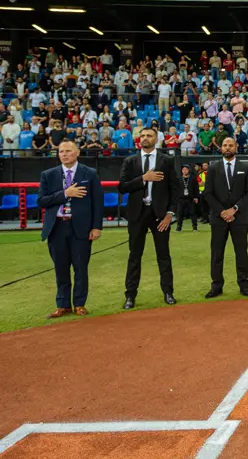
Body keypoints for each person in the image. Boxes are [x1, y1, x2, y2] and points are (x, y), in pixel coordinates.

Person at [38, 139, 103, 319]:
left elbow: (98, 202)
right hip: (56, 228)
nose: (64, 154)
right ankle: (63, 305)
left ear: (77, 153)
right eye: (61, 151)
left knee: (81, 267)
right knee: (61, 268)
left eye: (68, 151)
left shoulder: (89, 173)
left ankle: (80, 304)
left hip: (81, 229)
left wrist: (97, 227)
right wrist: (65, 194)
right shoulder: (48, 175)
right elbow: (41, 201)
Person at [118, 127, 180, 310]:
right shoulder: (130, 161)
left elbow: (175, 190)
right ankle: (130, 295)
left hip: (160, 215)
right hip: (137, 215)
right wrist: (143, 178)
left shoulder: (167, 160)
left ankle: (168, 292)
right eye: (142, 135)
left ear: (156, 139)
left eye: (149, 135)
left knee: (163, 255)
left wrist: (170, 214)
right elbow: (122, 187)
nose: (145, 138)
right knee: (134, 256)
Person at [203, 137, 248, 298]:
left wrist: (234, 209)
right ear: (221, 148)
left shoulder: (245, 168)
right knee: (217, 254)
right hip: (218, 219)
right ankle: (216, 286)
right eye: (224, 145)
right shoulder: (213, 168)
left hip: (239, 219)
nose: (227, 148)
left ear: (236, 147)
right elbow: (208, 193)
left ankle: (244, 284)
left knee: (241, 253)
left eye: (230, 145)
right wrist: (222, 212)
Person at [175, 164, 199, 232]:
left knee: (193, 213)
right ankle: (179, 227)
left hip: (190, 199)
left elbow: (196, 188)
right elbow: (176, 189)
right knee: (180, 213)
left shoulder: (193, 178)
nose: (184, 171)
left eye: (186, 169)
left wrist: (196, 197)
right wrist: (176, 198)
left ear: (189, 170)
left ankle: (195, 227)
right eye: (183, 170)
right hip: (181, 199)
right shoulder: (178, 178)